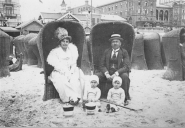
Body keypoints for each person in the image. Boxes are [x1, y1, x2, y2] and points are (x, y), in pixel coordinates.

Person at [47, 27, 85, 105]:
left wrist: (71, 72)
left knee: (77, 78)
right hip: (60, 71)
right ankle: (69, 98)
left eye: (67, 41)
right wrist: (66, 73)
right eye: (63, 41)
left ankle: (77, 97)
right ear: (60, 43)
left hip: (72, 69)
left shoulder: (72, 49)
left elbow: (74, 63)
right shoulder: (55, 52)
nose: (65, 43)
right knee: (62, 81)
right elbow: (57, 65)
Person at [96, 34, 131, 105]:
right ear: (111, 43)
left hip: (119, 73)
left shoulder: (124, 52)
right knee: (97, 76)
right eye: (113, 42)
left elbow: (126, 66)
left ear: (120, 43)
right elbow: (101, 65)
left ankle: (125, 98)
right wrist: (106, 73)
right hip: (108, 72)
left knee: (125, 76)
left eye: (117, 41)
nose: (115, 43)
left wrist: (116, 74)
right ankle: (97, 96)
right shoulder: (106, 51)